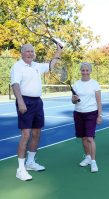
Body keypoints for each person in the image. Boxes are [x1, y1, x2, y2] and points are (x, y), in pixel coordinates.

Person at [10, 43, 62, 181]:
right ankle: (20, 170)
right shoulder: (17, 66)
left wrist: (58, 50)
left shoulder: (36, 66)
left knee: (37, 133)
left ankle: (30, 162)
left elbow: (52, 65)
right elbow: (15, 84)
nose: (30, 53)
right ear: (21, 53)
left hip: (37, 102)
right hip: (25, 101)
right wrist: (20, 101)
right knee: (26, 134)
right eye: (27, 51)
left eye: (32, 51)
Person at [72, 62, 102, 173]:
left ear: (90, 71)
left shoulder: (95, 84)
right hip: (78, 113)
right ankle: (88, 157)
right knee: (84, 138)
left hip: (91, 113)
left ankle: (93, 162)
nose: (85, 72)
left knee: (90, 138)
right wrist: (74, 99)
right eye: (83, 70)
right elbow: (73, 101)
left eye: (87, 70)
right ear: (81, 71)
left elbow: (99, 101)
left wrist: (100, 115)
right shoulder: (76, 84)